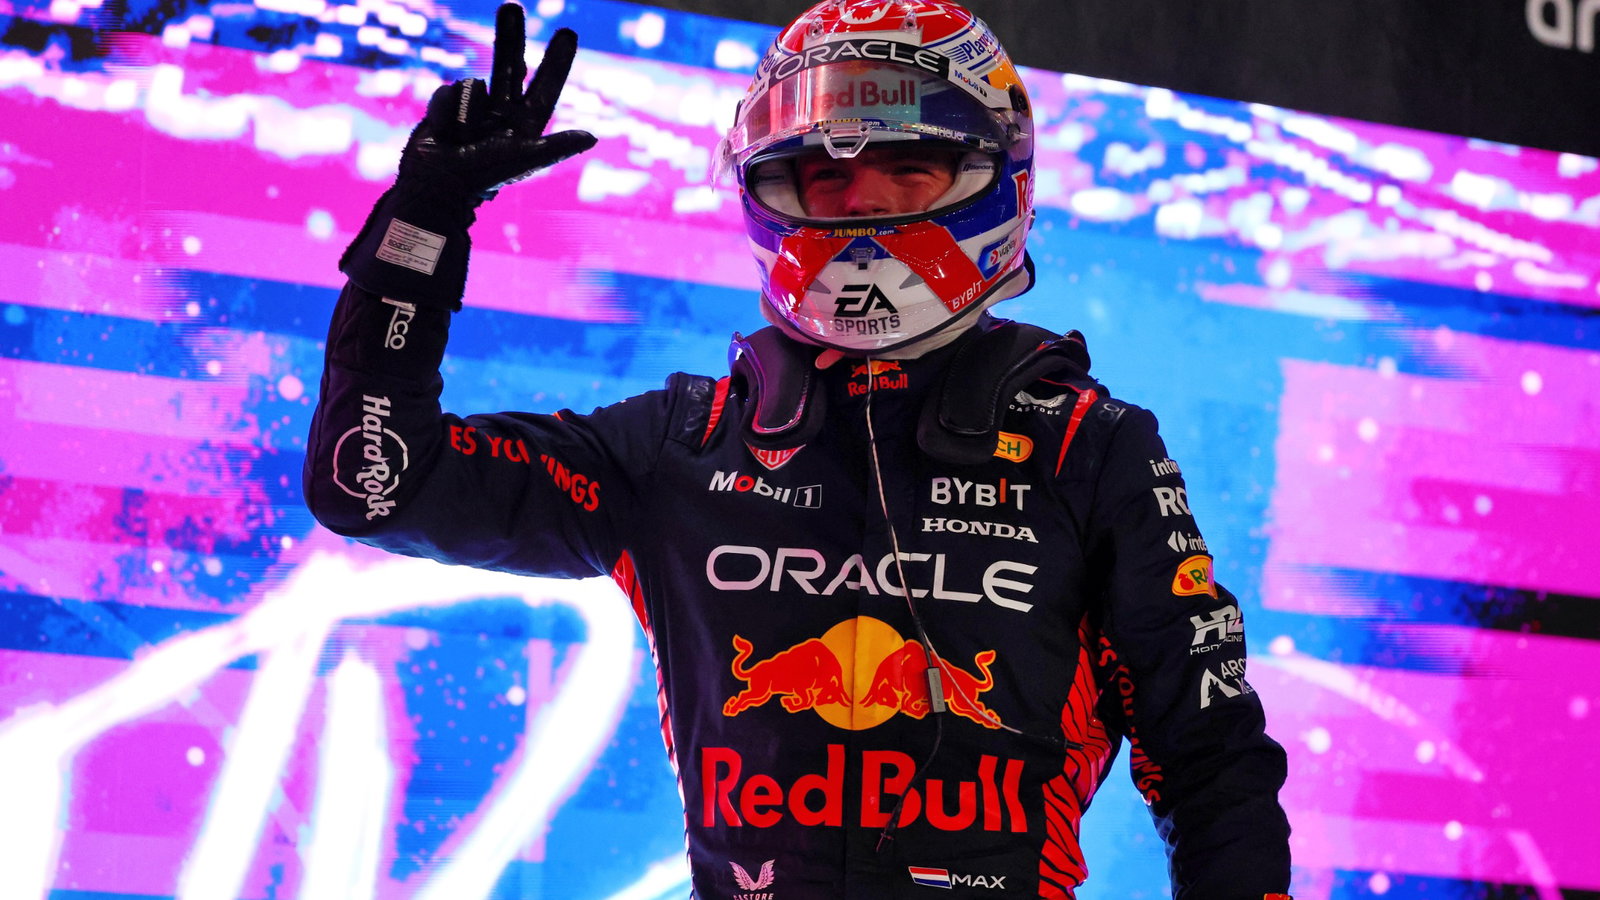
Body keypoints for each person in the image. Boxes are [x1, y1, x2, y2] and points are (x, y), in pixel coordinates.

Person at [304, 1, 1294, 897]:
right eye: (826, 172)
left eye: (909, 164)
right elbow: (375, 487)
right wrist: (422, 227)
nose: (863, 201)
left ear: (999, 179)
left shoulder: (1090, 448)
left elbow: (1208, 761)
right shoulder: (679, 443)